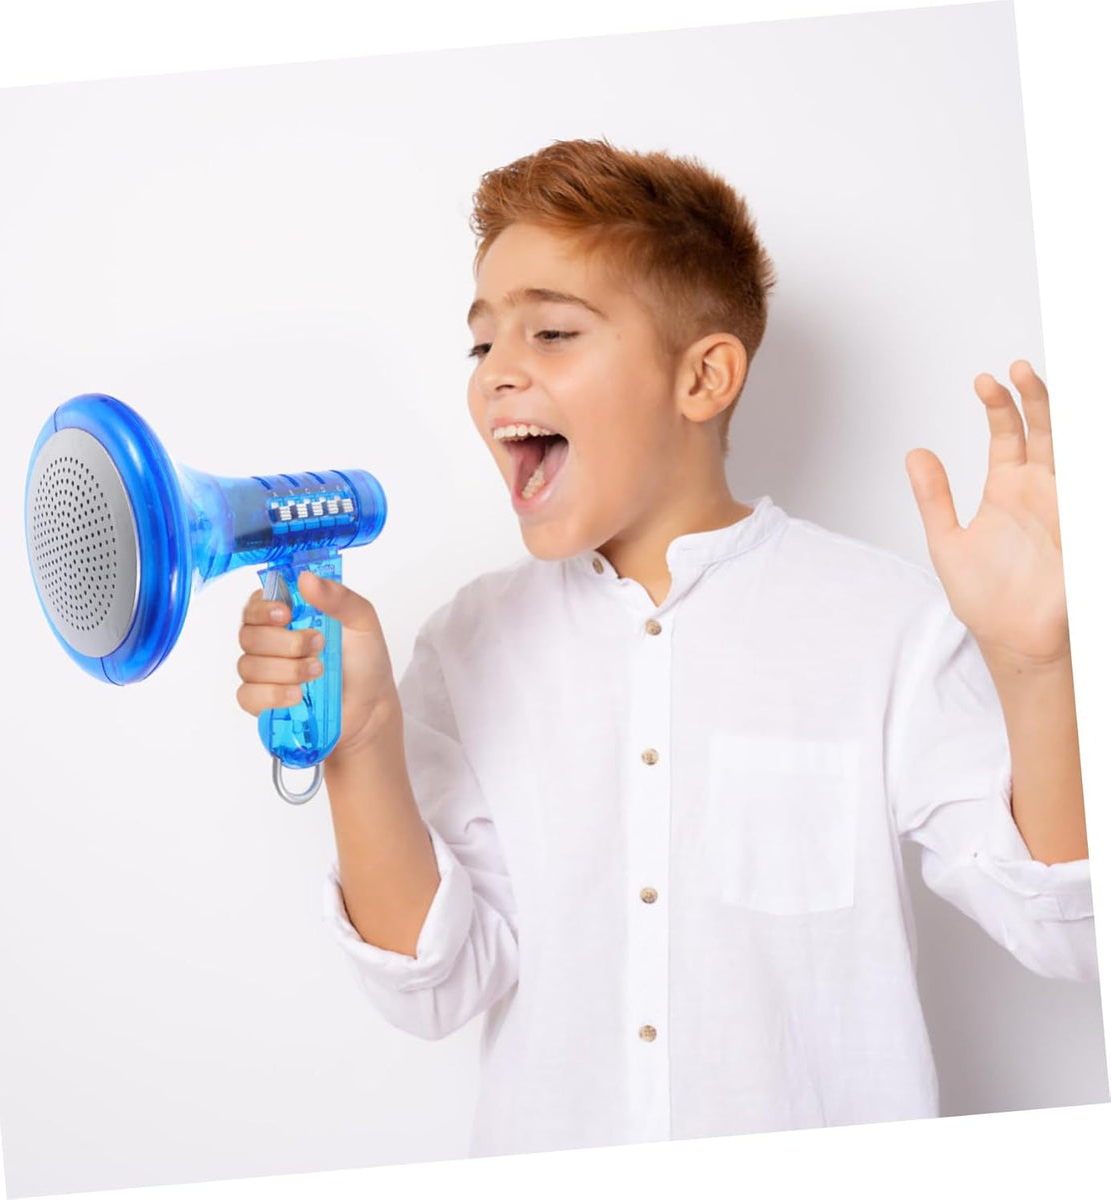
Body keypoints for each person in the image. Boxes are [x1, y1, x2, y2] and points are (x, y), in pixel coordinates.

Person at [234, 138, 1095, 1157]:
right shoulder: (467, 643)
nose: (499, 374)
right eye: (481, 345)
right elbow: (436, 986)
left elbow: (1066, 932)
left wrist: (1039, 669)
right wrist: (360, 737)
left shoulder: (885, 624)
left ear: (704, 377)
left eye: (551, 331)